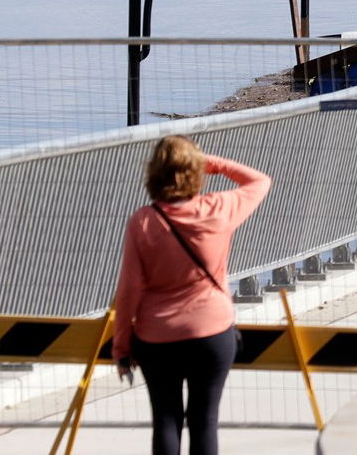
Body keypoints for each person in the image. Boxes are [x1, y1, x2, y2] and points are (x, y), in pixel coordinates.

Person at [113, 135, 271, 455]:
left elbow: (129, 289)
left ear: (154, 173)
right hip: (211, 332)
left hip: (156, 337)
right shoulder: (218, 208)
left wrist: (121, 345)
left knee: (166, 419)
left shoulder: (143, 221)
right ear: (194, 171)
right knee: (204, 420)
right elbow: (260, 180)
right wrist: (211, 163)